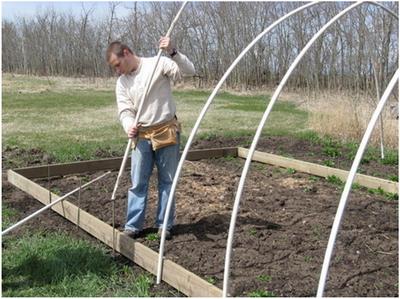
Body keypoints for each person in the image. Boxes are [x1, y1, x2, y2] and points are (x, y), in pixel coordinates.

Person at [106, 37, 195, 240]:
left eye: (117, 65)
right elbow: (125, 111)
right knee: (138, 182)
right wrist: (129, 126)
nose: (118, 70)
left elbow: (189, 71)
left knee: (167, 181)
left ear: (126, 53)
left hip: (166, 131)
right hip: (142, 136)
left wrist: (172, 51)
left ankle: (164, 225)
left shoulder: (158, 63)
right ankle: (133, 226)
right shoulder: (122, 82)